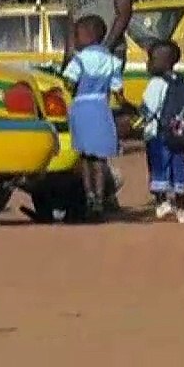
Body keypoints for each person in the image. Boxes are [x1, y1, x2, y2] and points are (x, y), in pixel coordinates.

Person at [62, 14, 124, 223]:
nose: (76, 40)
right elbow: (117, 90)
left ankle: (89, 197)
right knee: (100, 159)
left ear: (88, 36)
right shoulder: (112, 61)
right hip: (100, 108)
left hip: (81, 108)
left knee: (85, 157)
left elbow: (69, 82)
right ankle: (99, 198)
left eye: (77, 35)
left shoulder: (79, 60)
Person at [139, 40, 184, 223]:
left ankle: (162, 203)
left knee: (159, 166)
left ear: (164, 62)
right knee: (179, 165)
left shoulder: (156, 83)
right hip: (180, 133)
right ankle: (182, 206)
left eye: (152, 59)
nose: (149, 64)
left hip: (158, 133)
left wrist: (137, 117)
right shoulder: (182, 81)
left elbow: (148, 108)